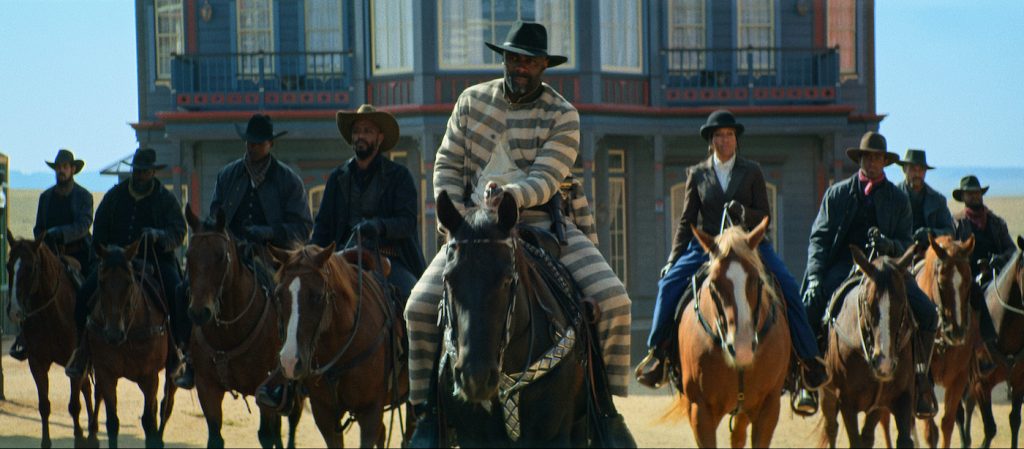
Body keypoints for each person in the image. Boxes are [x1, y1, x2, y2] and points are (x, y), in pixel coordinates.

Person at [403, 21, 633, 447]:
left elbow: (548, 175)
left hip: (543, 224)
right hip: (473, 231)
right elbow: (447, 165)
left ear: (544, 65)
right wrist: (454, 216)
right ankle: (427, 414)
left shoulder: (563, 114)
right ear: (504, 59)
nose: (520, 66)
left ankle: (605, 410)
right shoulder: (470, 103)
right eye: (513, 58)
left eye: (529, 60)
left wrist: (509, 196)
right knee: (417, 308)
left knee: (615, 301)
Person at [633, 109, 827, 413]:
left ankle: (807, 361)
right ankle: (657, 354)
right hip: (709, 247)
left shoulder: (752, 172)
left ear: (736, 140)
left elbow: (765, 216)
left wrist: (743, 213)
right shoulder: (697, 174)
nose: (725, 141)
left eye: (730, 136)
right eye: (720, 136)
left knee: (788, 286)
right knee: (668, 284)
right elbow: (687, 222)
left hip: (750, 245)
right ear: (711, 142)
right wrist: (673, 258)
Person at [801, 131, 940, 418]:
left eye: (877, 157)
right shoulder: (837, 194)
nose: (872, 162)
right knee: (810, 306)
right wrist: (815, 276)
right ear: (860, 159)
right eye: (867, 157)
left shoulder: (898, 199)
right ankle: (808, 379)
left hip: (890, 271)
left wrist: (889, 245)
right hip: (843, 266)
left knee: (928, 313)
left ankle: (920, 379)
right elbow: (819, 239)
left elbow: (907, 243)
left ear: (885, 162)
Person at [178, 113, 314, 390]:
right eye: (250, 142)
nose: (252, 147)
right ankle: (191, 359)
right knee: (190, 288)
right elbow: (215, 216)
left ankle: (292, 359)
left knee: (285, 298)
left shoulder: (288, 180)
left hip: (272, 254)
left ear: (270, 145)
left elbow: (302, 227)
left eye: (259, 143)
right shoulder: (228, 175)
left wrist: (268, 233)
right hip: (230, 251)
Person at [65, 148, 188, 379]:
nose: (140, 176)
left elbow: (179, 230)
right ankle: (82, 351)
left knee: (177, 292)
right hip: (115, 262)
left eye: (145, 172)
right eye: (137, 171)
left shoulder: (165, 198)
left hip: (156, 260)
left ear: (153, 172)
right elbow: (99, 229)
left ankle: (178, 351)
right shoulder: (115, 196)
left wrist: (160, 236)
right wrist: (108, 252)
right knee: (83, 295)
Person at [310, 104, 425, 300]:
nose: (360, 136)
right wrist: (311, 257)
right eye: (356, 131)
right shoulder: (338, 178)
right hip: (342, 257)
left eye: (367, 131)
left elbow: (407, 222)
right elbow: (323, 226)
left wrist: (379, 225)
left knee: (413, 298)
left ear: (379, 138)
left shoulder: (399, 176)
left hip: (388, 258)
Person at [8, 150, 94, 361]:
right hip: (48, 255)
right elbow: (39, 228)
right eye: (58, 167)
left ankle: (92, 335)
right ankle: (25, 336)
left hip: (80, 254)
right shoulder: (45, 198)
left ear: (73, 169)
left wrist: (60, 234)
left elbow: (84, 225)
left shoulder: (84, 196)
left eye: (65, 167)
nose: (61, 171)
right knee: (30, 285)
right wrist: (43, 243)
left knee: (91, 291)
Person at [951, 175, 1016, 279]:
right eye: (969, 193)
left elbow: (1012, 249)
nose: (974, 196)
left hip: (998, 276)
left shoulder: (996, 222)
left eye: (977, 192)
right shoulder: (956, 223)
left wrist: (1002, 258)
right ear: (963, 197)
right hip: (967, 278)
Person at [896, 149, 955, 245]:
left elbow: (950, 232)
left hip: (929, 250)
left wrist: (931, 233)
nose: (917, 174)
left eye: (921, 170)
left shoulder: (938, 200)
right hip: (898, 251)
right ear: (904, 169)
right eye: (912, 169)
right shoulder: (893, 196)